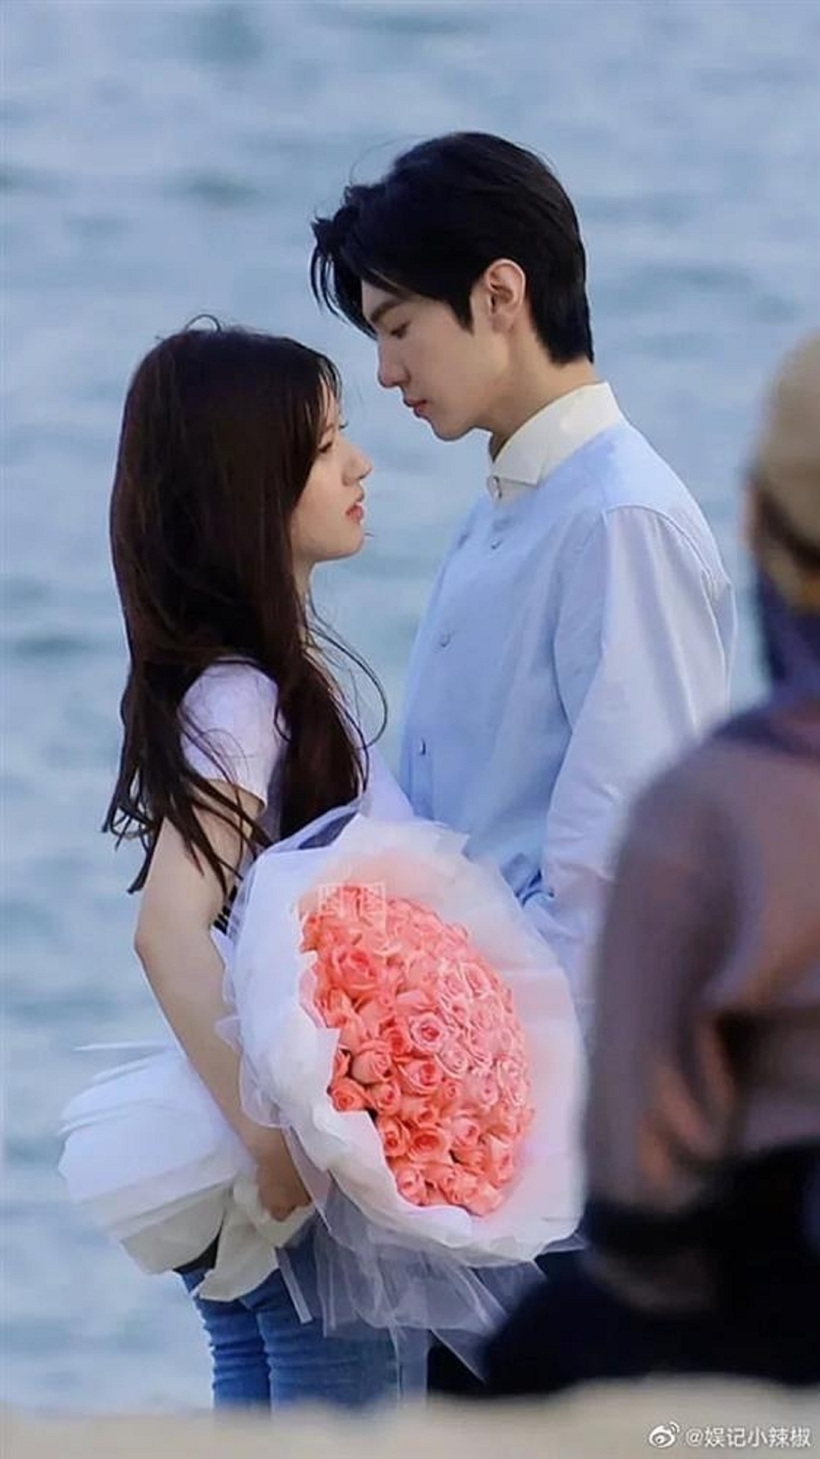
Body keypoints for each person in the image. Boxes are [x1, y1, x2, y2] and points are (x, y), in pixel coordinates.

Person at [311, 131, 736, 1390]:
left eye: (398, 327)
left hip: (550, 1138)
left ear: (499, 294)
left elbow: (623, 874)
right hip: (480, 1126)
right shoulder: (514, 500)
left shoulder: (619, 517)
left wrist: (479, 1109)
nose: (384, 372)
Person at [481, 332, 820, 1395]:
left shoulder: (718, 807)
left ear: (760, 529)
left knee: (517, 1359)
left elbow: (644, 1190)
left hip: (786, 1301)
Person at [99, 322, 406, 1409]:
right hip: (281, 1126)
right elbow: (167, 925)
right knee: (344, 1410)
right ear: (249, 489)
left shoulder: (258, 685)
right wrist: (273, 1141)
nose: (360, 465)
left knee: (261, 1393)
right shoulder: (243, 698)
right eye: (325, 448)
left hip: (262, 1118)